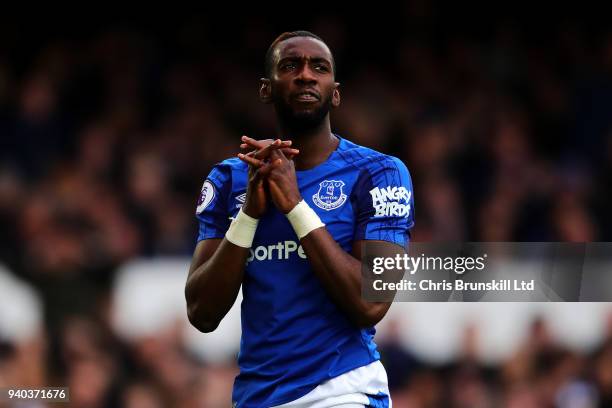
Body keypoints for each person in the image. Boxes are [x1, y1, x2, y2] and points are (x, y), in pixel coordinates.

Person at [185, 30, 414, 407]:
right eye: (291, 65)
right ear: (266, 89)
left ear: (335, 92)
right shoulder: (230, 179)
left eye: (319, 67)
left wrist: (295, 207)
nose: (306, 74)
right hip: (256, 397)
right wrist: (249, 216)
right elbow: (201, 313)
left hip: (342, 391)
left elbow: (370, 303)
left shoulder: (380, 174)